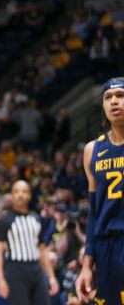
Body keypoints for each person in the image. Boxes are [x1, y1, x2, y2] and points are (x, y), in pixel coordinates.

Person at [76, 77, 124, 304]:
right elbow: (94, 212)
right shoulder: (92, 150)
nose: (114, 101)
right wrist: (87, 264)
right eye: (108, 97)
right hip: (106, 248)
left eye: (121, 96)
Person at [0, 180, 59, 304]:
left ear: (29, 196)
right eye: (16, 192)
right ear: (12, 196)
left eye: (24, 192)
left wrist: (51, 276)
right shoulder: (4, 220)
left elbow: (42, 249)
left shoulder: (36, 219)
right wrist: (0, 279)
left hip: (36, 269)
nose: (20, 195)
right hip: (15, 270)